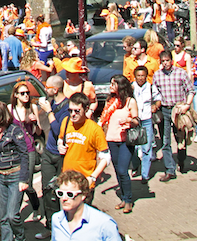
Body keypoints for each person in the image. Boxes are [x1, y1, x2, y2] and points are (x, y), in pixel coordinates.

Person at [0, 101, 29, 241]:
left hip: (15, 176)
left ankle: (20, 237)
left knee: (12, 215)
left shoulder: (15, 130)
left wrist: (24, 179)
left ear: (1, 116)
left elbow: (24, 154)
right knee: (3, 217)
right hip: (0, 177)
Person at [57, 92, 110, 201]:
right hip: (67, 182)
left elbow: (106, 157)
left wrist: (92, 177)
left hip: (84, 183)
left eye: (77, 111)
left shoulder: (95, 129)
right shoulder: (66, 122)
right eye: (70, 111)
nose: (73, 114)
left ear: (86, 110)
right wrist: (59, 146)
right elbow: (61, 139)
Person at [98, 75, 138, 213]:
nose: (110, 86)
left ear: (120, 86)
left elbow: (137, 120)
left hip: (125, 141)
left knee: (122, 170)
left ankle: (128, 200)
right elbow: (104, 118)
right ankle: (123, 197)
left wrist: (129, 121)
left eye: (113, 84)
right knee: (117, 170)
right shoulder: (110, 101)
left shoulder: (129, 102)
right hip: (111, 139)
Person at [36, 76, 68, 238]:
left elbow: (58, 130)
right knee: (47, 190)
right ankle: (50, 227)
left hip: (61, 155)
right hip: (49, 152)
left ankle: (64, 227)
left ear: (55, 90)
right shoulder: (52, 103)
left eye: (47, 86)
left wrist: (49, 111)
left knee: (61, 192)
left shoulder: (67, 107)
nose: (45, 89)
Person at [155, 50, 194, 178]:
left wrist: (187, 105)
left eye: (167, 60)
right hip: (165, 109)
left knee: (180, 138)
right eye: (163, 61)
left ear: (171, 61)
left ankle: (181, 160)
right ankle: (170, 170)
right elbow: (155, 94)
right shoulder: (157, 75)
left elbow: (190, 91)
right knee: (165, 140)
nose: (165, 63)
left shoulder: (181, 73)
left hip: (178, 110)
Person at [50, 170, 120, 240]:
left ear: (83, 195)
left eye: (70, 194)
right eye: (60, 193)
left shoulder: (104, 223)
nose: (64, 198)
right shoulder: (56, 219)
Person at [8, 81, 41, 210]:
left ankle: (36, 205)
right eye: (22, 93)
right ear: (16, 95)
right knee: (18, 183)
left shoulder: (32, 108)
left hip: (29, 149)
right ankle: (15, 213)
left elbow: (38, 132)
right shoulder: (10, 109)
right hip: (14, 149)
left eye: (27, 93)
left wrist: (35, 122)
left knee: (27, 182)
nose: (26, 96)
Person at [131, 65, 161, 183]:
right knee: (132, 146)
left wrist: (155, 106)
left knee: (146, 148)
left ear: (146, 76)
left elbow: (158, 99)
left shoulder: (151, 87)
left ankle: (145, 175)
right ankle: (135, 165)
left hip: (147, 120)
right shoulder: (131, 87)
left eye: (143, 76)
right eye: (138, 76)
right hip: (135, 120)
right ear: (135, 76)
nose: (140, 78)